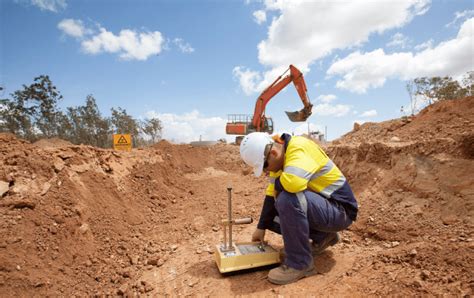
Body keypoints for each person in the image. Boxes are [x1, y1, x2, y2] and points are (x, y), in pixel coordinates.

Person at [240, 132, 358, 285]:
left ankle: (299, 263)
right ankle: (323, 237)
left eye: (264, 167)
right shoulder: (281, 160)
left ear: (274, 153)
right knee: (276, 209)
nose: (266, 172)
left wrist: (276, 185)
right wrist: (261, 227)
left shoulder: (298, 148)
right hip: (326, 209)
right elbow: (271, 194)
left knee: (287, 199)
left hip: (341, 211)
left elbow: (293, 183)